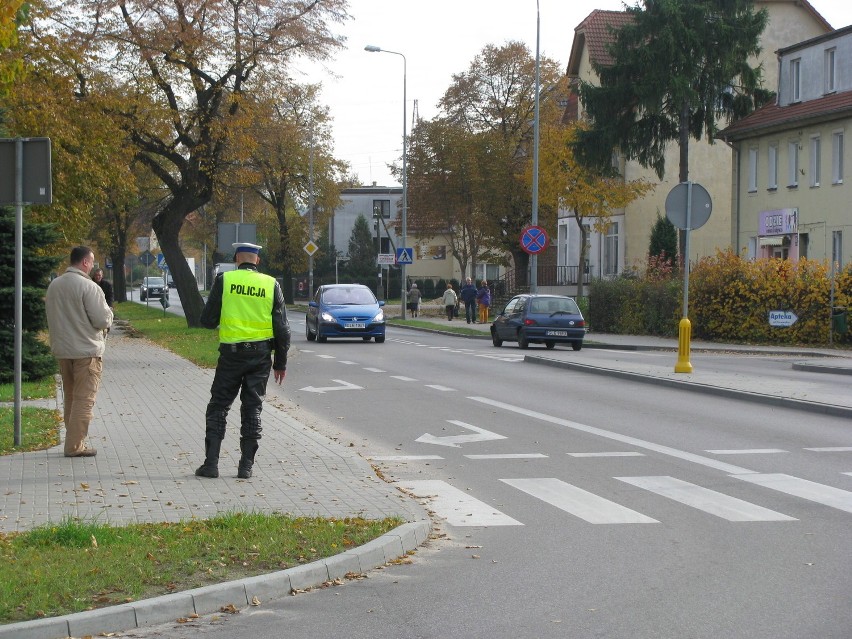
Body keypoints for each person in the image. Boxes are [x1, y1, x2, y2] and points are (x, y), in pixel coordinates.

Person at [195, 242, 291, 480]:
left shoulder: (224, 281)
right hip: (260, 357)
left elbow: (207, 320)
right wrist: (280, 363)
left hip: (231, 355)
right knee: (252, 408)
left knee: (218, 406)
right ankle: (246, 467)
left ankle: (211, 464)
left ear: (237, 258)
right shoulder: (271, 284)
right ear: (257, 261)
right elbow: (283, 329)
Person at [45, 246, 114, 457]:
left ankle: (73, 439)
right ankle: (74, 446)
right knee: (85, 399)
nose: (92, 266)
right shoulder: (89, 287)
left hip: (63, 350)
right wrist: (110, 314)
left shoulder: (54, 286)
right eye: (92, 262)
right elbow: (102, 319)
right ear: (85, 262)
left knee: (72, 398)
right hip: (86, 351)